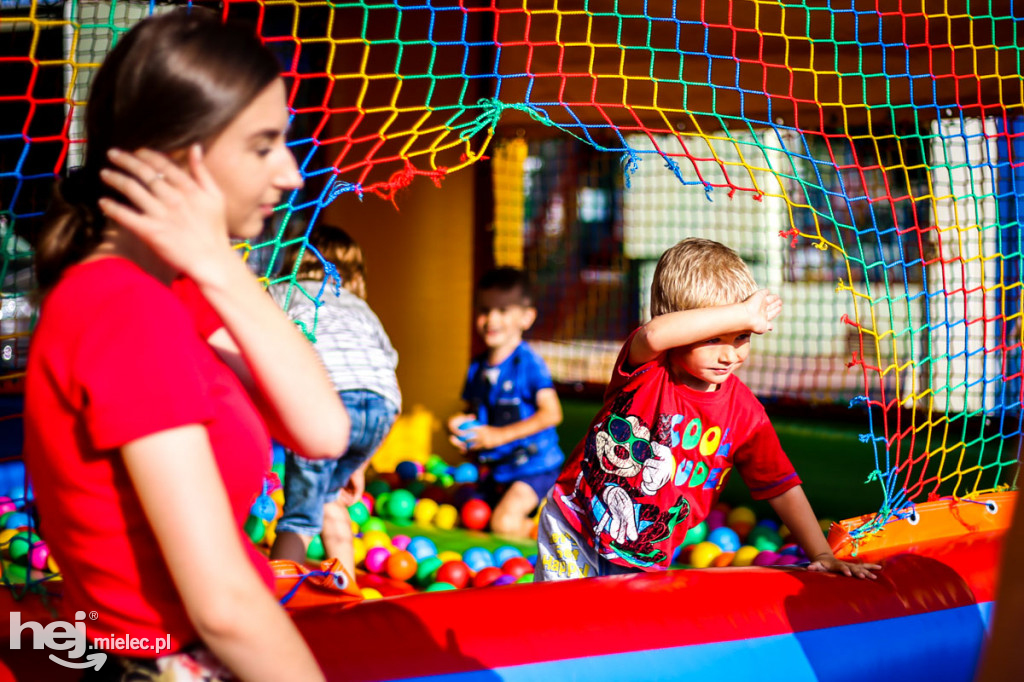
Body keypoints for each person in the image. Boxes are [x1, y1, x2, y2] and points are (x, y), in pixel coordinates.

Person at [22, 9, 349, 681]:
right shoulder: (123, 310)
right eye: (263, 146)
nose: (289, 173)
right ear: (180, 155)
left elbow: (323, 430)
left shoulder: (179, 291)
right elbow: (222, 606)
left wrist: (221, 266)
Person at [534, 238, 880, 581]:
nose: (729, 355)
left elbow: (780, 485)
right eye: (713, 339)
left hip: (646, 555)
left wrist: (820, 554)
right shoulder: (649, 370)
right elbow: (654, 335)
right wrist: (743, 313)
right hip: (576, 523)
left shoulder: (745, 413)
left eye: (742, 337)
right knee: (565, 623)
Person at [268, 224, 401, 579]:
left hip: (327, 399)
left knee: (299, 517)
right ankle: (347, 591)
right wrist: (358, 463)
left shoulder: (283, 290)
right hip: (383, 404)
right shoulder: (359, 307)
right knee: (328, 497)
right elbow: (387, 362)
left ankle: (277, 598)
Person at [447, 267, 564, 537]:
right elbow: (474, 414)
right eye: (484, 310)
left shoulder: (528, 364)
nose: (491, 319)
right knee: (462, 511)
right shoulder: (477, 368)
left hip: (535, 469)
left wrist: (498, 436)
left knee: (503, 524)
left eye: (502, 311)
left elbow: (552, 413)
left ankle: (557, 534)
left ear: (526, 317)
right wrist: (459, 429)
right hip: (497, 472)